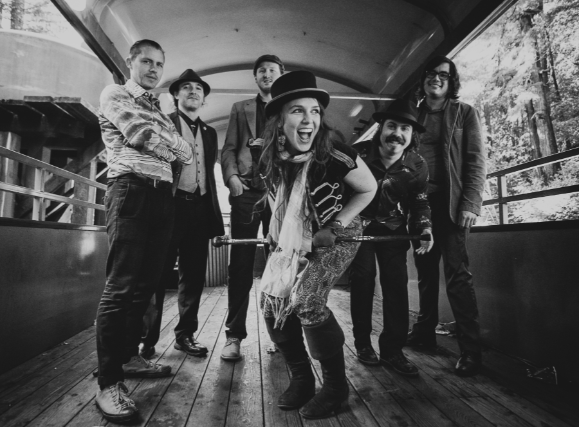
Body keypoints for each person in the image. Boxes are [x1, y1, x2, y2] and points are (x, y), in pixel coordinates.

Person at [258, 71, 377, 419]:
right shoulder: (270, 155)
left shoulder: (336, 153)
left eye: (314, 111)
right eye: (298, 110)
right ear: (280, 120)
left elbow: (368, 188)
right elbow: (274, 196)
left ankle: (336, 389)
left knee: (306, 299)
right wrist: (278, 231)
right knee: (271, 301)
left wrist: (335, 226)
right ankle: (301, 379)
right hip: (295, 235)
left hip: (340, 230)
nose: (309, 120)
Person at [95, 40, 193, 422]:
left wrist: (168, 143)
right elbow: (140, 136)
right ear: (131, 62)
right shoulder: (115, 93)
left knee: (146, 286)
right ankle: (108, 382)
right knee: (120, 288)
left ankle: (129, 357)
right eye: (147, 62)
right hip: (130, 192)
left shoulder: (160, 111)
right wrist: (169, 143)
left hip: (162, 198)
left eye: (159, 64)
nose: (153, 69)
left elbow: (185, 154)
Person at [406, 55, 486, 377]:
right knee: (425, 272)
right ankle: (424, 333)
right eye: (431, 73)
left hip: (451, 204)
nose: (436, 78)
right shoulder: (413, 114)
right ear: (423, 79)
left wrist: (471, 203)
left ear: (452, 81)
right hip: (419, 204)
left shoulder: (464, 113)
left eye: (443, 74)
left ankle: (471, 351)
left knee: (457, 276)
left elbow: (476, 159)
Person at [139, 69, 225, 360]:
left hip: (199, 209)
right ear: (175, 95)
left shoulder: (210, 133)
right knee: (157, 273)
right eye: (186, 87)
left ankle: (185, 334)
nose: (193, 92)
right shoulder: (163, 122)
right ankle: (147, 339)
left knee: (194, 275)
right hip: (169, 206)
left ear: (204, 98)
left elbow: (208, 174)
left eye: (198, 89)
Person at [349, 99, 433, 376]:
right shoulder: (357, 154)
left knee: (396, 285)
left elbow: (420, 202)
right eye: (392, 126)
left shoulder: (418, 164)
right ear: (381, 128)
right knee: (362, 280)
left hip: (394, 230)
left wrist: (425, 229)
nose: (397, 134)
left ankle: (392, 350)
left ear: (412, 135)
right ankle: (363, 344)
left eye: (405, 129)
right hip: (358, 228)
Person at [220, 54, 284, 361]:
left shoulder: (289, 107)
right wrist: (232, 178)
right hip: (246, 191)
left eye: (272, 70)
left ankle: (281, 335)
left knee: (280, 264)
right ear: (255, 77)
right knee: (240, 264)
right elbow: (229, 149)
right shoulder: (240, 108)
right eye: (262, 71)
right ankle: (234, 336)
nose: (267, 74)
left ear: (280, 75)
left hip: (279, 193)